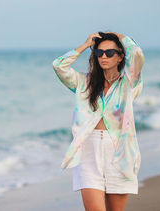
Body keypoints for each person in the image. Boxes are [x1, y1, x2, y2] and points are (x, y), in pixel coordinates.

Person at [52, 31, 145, 211]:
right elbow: (58, 66)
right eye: (99, 52)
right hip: (88, 153)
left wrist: (118, 35)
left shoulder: (130, 83)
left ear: (120, 57)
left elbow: (138, 54)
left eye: (110, 53)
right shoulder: (83, 82)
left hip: (120, 153)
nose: (103, 56)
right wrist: (85, 45)